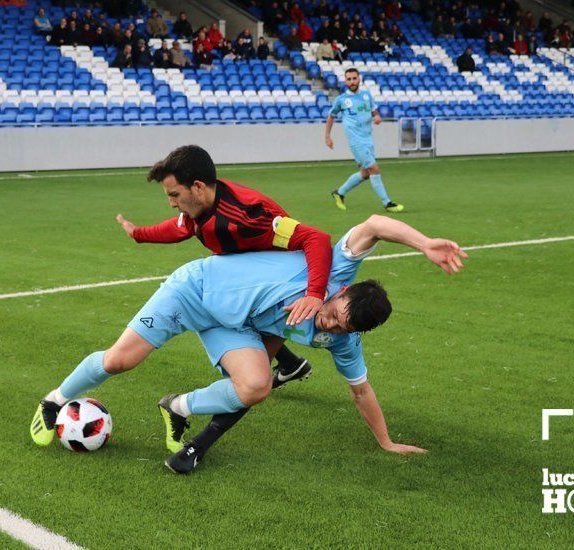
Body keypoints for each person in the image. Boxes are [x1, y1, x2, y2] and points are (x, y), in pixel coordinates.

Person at [30, 212, 467, 473]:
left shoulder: (342, 342)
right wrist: (424, 242)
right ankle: (54, 400)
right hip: (194, 291)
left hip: (233, 325)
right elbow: (374, 224)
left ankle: (176, 406)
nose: (330, 325)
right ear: (340, 292)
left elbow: (361, 390)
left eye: (340, 328)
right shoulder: (333, 267)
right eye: (333, 313)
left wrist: (386, 441)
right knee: (120, 360)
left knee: (256, 386)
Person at [114, 145, 330, 388]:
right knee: (238, 354)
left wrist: (314, 294)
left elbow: (315, 239)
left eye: (174, 194)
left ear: (197, 186)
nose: (171, 203)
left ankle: (189, 412)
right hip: (252, 273)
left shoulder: (249, 214)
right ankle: (289, 364)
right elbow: (180, 227)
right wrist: (139, 234)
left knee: (240, 374)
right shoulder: (201, 204)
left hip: (280, 284)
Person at [327, 68, 403, 213]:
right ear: (345, 81)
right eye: (349, 79)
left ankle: (339, 193)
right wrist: (327, 136)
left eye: (354, 78)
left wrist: (377, 116)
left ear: (359, 79)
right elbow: (331, 116)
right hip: (356, 142)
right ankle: (387, 203)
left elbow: (374, 111)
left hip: (368, 139)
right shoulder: (341, 100)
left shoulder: (367, 95)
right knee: (374, 169)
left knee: (366, 174)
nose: (352, 81)